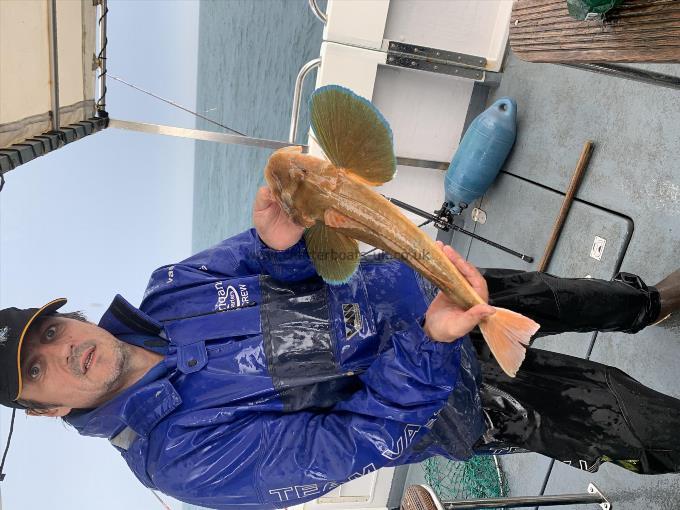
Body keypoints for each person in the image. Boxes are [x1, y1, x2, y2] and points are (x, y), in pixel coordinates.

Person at [0, 186, 678, 509]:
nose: (66, 352)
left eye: (51, 331)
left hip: (425, 290)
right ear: (43, 409)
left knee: (563, 296)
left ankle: (648, 304)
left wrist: (278, 237)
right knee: (636, 424)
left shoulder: (169, 290)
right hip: (447, 393)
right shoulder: (179, 461)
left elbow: (278, 263)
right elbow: (356, 443)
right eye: (39, 368)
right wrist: (430, 344)